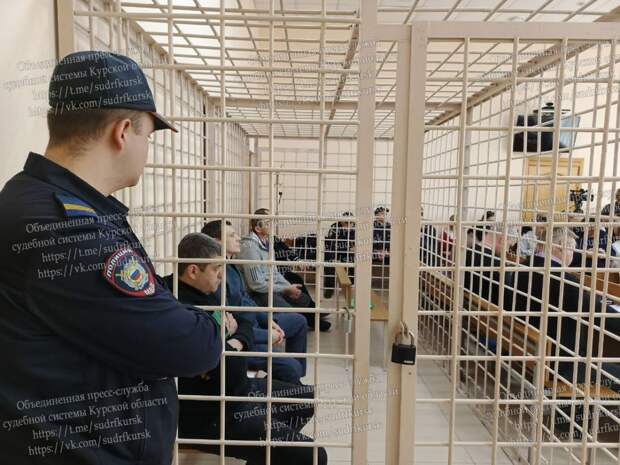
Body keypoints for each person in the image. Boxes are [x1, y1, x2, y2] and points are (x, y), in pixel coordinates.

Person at [0, 51, 222, 465]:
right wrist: (210, 321)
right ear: (122, 132)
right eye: (148, 136)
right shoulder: (67, 228)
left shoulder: (38, 201)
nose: (147, 150)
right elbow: (189, 347)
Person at [164, 233, 326, 465]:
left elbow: (244, 321)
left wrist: (234, 340)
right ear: (193, 271)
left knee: (306, 398)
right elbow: (223, 365)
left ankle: (266, 451)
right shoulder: (179, 306)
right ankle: (269, 447)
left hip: (239, 390)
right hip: (214, 413)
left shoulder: (208, 289)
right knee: (315, 456)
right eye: (216, 268)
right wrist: (232, 339)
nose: (222, 275)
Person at [512, 227, 620, 391]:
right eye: (572, 249)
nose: (573, 255)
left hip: (527, 349)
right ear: (561, 246)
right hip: (561, 364)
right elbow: (597, 311)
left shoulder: (523, 267)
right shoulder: (563, 280)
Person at [202, 220, 308, 384]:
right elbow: (232, 326)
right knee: (291, 367)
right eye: (232, 235)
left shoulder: (231, 265)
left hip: (255, 323)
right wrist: (267, 335)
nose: (239, 238)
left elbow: (246, 299)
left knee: (299, 321)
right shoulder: (215, 275)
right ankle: (291, 383)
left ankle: (295, 382)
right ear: (216, 242)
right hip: (245, 336)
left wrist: (269, 320)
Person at [238, 208, 331, 332]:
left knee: (301, 297)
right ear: (258, 228)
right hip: (257, 293)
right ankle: (304, 321)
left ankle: (312, 318)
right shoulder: (250, 248)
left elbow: (275, 272)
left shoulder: (267, 242)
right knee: (291, 314)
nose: (273, 225)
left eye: (273, 221)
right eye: (268, 222)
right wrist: (284, 289)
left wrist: (288, 287)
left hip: (270, 286)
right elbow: (256, 285)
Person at [464, 223, 515, 308]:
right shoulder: (498, 264)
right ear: (502, 240)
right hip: (485, 311)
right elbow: (508, 300)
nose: (506, 250)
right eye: (508, 245)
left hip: (465, 305)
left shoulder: (467, 252)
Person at [323, 211, 355, 298]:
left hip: (348, 253)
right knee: (329, 258)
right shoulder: (335, 227)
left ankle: (351, 286)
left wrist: (354, 248)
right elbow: (331, 244)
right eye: (346, 222)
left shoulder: (355, 227)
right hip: (335, 251)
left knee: (354, 259)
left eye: (351, 223)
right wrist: (348, 248)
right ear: (341, 221)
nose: (348, 225)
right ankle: (329, 288)